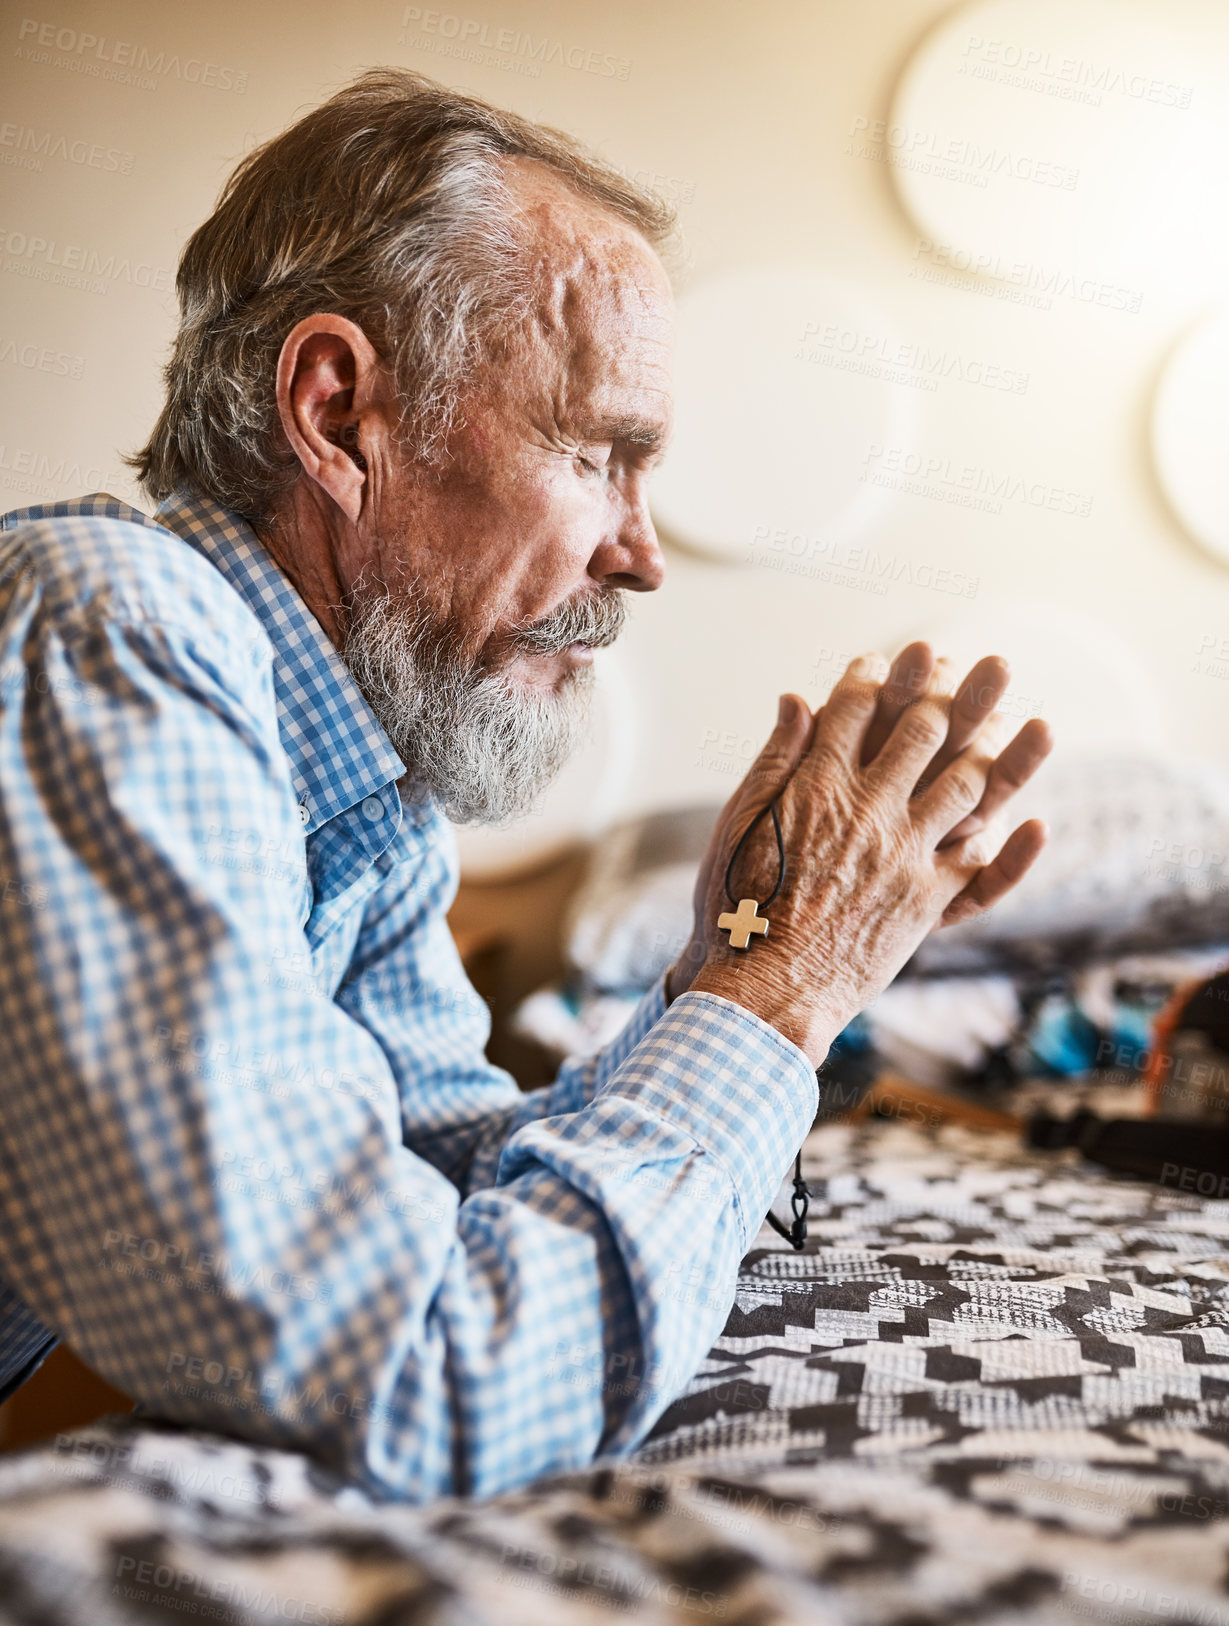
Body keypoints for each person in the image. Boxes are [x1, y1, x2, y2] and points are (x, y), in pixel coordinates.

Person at [0, 69, 1050, 1501]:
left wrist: (723, 963)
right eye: (596, 453)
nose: (640, 553)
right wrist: (783, 986)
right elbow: (430, 1382)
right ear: (339, 411)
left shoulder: (356, 775)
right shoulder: (108, 632)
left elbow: (453, 1193)